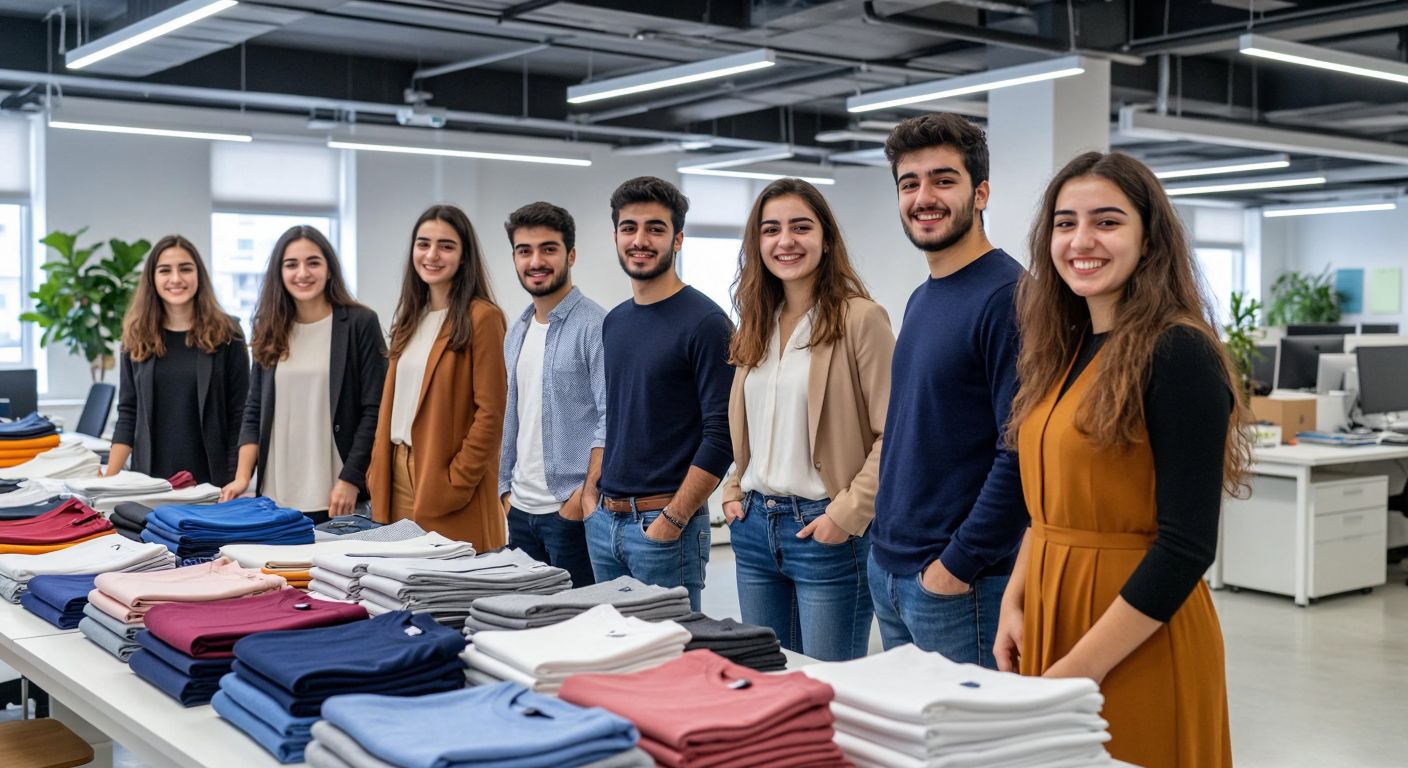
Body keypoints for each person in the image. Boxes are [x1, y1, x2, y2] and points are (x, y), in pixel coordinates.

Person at [994, 151, 1246, 766]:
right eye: (1065, 222)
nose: (1082, 240)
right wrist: (1014, 601)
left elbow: (1187, 546)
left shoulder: (1178, 352)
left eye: (1107, 221)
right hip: (1052, 610)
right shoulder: (1063, 347)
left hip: (1134, 633)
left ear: (1148, 238)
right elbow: (1046, 505)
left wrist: (1078, 670)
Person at [867, 113, 1028, 667]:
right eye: (909, 184)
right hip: (892, 570)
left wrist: (956, 566)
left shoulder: (1009, 297)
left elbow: (1023, 452)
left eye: (943, 180)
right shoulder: (924, 295)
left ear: (980, 193)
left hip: (961, 587)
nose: (923, 197)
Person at [720, 178, 893, 661]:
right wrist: (734, 487)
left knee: (827, 689)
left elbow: (893, 433)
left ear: (826, 238)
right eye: (771, 229)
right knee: (768, 685)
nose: (786, 241)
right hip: (754, 530)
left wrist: (849, 512)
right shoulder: (755, 324)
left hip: (825, 531)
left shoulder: (861, 319)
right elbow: (757, 427)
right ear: (757, 244)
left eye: (801, 227)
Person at [587, 176, 732, 611]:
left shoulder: (706, 322)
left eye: (655, 228)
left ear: (678, 239)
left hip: (664, 526)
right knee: (612, 655)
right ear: (615, 236)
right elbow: (614, 416)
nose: (640, 240)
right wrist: (593, 494)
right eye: (629, 228)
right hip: (605, 522)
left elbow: (722, 434)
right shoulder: (615, 321)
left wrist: (674, 518)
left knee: (674, 664)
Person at [220, 226, 387, 524]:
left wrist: (351, 478)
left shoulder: (360, 323)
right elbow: (254, 409)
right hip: (274, 495)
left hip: (336, 496)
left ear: (329, 268)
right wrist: (242, 477)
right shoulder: (268, 327)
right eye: (291, 264)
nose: (302, 273)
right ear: (279, 273)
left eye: (313, 262)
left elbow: (375, 410)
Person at [366, 205, 508, 548]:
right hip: (394, 471)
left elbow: (491, 413)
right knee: (400, 583)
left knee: (447, 587)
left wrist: (457, 480)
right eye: (423, 243)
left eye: (446, 246)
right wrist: (375, 470)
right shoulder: (409, 319)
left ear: (463, 256)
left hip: (443, 475)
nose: (432, 254)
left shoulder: (482, 317)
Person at [498, 202, 606, 587]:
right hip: (520, 511)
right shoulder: (518, 329)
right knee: (530, 626)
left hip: (567, 512)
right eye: (524, 251)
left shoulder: (595, 325)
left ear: (570, 255)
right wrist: (504, 492)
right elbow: (514, 416)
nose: (535, 261)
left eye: (548, 249)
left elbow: (611, 418)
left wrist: (581, 498)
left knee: (577, 630)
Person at [109, 235, 248, 485]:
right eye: (165, 270)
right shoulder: (136, 335)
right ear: (152, 278)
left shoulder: (228, 333)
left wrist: (235, 479)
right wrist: (108, 479)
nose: (176, 279)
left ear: (199, 275)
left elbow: (240, 413)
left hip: (211, 481)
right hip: (150, 481)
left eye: (185, 269)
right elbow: (128, 411)